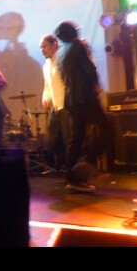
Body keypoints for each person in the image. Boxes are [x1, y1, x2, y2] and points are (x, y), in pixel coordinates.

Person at [55, 21, 107, 192]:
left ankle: (72, 178)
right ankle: (86, 165)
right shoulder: (78, 46)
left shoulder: (61, 52)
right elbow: (89, 69)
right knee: (106, 129)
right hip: (86, 98)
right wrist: (96, 85)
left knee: (76, 139)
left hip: (72, 101)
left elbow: (64, 77)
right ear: (73, 32)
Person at [40, 34, 70, 170]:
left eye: (45, 46)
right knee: (50, 139)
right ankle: (60, 165)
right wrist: (45, 97)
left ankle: (71, 168)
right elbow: (47, 86)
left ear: (54, 45)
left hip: (66, 105)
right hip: (55, 106)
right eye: (41, 47)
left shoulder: (63, 60)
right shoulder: (46, 65)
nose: (42, 50)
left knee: (68, 138)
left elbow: (69, 83)